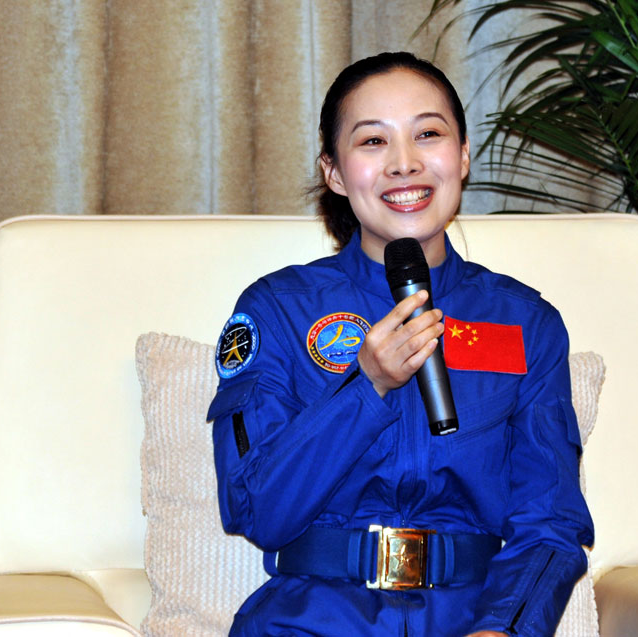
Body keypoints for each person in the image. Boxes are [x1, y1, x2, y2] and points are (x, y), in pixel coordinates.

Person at [207, 51, 593, 637]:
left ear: (462, 156)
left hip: (472, 620)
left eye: (428, 135)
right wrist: (368, 388)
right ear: (334, 172)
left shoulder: (525, 323)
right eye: (372, 142)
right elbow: (255, 510)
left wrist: (504, 628)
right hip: (311, 621)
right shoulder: (277, 308)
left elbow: (551, 523)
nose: (404, 164)